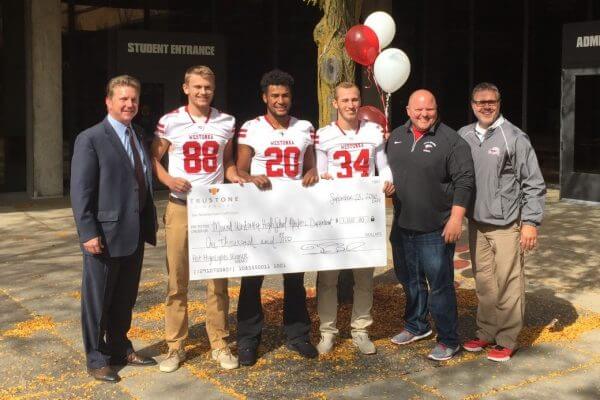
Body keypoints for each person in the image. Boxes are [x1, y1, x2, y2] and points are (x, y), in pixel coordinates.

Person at [151, 65, 246, 372]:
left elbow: (228, 163)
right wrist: (168, 180)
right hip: (181, 206)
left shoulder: (226, 121)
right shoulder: (170, 121)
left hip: (215, 208)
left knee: (217, 280)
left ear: (213, 89)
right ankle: (175, 346)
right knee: (177, 280)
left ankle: (219, 343)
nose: (203, 92)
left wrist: (238, 177)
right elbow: (153, 158)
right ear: (185, 88)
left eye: (208, 87)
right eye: (197, 87)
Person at [70, 75, 158, 383]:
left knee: (124, 298)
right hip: (103, 236)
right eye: (122, 99)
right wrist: (87, 232)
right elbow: (80, 191)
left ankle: (120, 347)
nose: (129, 104)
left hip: (133, 233)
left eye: (133, 99)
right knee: (98, 300)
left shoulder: (138, 134)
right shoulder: (91, 138)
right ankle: (96, 358)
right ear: (108, 101)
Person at [235, 69, 319, 366]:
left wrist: (312, 171)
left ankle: (297, 335)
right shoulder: (251, 128)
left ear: (291, 97)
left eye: (285, 95)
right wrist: (249, 177)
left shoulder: (305, 127)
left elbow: (310, 166)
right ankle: (247, 338)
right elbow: (239, 169)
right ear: (264, 98)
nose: (280, 100)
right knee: (252, 277)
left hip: (293, 212)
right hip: (260, 212)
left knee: (295, 277)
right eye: (275, 96)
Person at [458, 82, 546, 362]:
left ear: (499, 103)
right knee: (484, 282)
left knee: (508, 282)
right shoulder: (464, 136)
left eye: (491, 102)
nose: (486, 106)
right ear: (472, 105)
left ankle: (507, 339)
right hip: (477, 224)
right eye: (480, 102)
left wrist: (530, 222)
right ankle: (486, 332)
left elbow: (533, 183)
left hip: (507, 225)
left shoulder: (515, 138)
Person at [386, 89, 474, 361]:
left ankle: (449, 339)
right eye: (418, 110)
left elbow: (465, 182)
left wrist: (456, 218)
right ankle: (417, 326)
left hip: (436, 228)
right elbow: (387, 172)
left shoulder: (452, 141)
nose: (424, 114)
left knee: (440, 285)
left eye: (430, 109)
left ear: (437, 109)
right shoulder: (396, 137)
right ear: (408, 111)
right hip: (402, 225)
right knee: (410, 280)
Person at [314, 82, 394, 355]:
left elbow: (382, 165)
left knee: (364, 277)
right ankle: (327, 330)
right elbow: (320, 172)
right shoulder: (324, 135)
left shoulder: (372, 131)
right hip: (334, 215)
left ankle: (361, 329)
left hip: (364, 214)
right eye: (345, 100)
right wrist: (323, 179)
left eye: (354, 99)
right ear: (335, 103)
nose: (350, 105)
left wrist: (387, 182)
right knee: (327, 278)